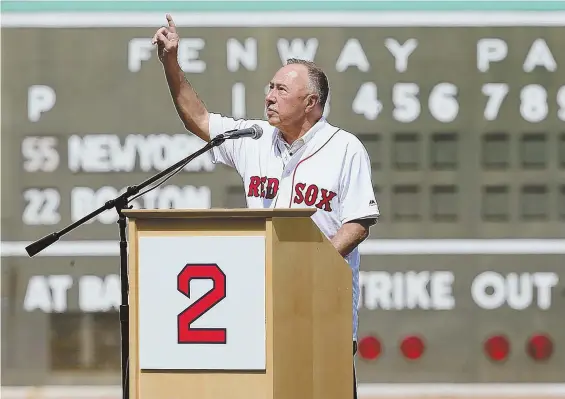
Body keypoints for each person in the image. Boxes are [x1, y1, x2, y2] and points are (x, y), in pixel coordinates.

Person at [152, 14, 380, 398]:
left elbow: (358, 222)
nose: (269, 96)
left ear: (311, 102)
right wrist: (170, 62)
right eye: (269, 87)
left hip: (322, 308)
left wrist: (308, 265)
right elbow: (199, 118)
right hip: (257, 312)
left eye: (280, 90)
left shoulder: (344, 148)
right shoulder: (253, 139)